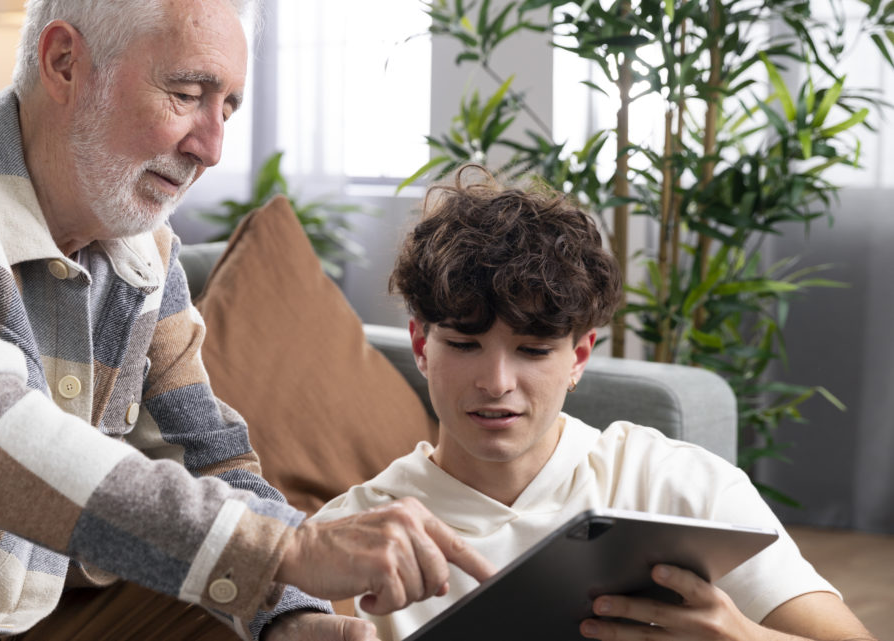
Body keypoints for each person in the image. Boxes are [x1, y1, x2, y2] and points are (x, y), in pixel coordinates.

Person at [0, 2, 494, 640]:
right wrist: (281, 550)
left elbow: (216, 462)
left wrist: (291, 611)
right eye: (186, 93)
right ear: (66, 62)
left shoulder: (144, 256)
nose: (212, 146)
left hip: (23, 616)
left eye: (227, 105)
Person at [311, 164, 876, 641]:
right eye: (464, 345)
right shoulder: (348, 537)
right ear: (420, 346)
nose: (496, 382)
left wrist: (741, 635)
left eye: (533, 351)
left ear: (579, 356)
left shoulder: (672, 484)